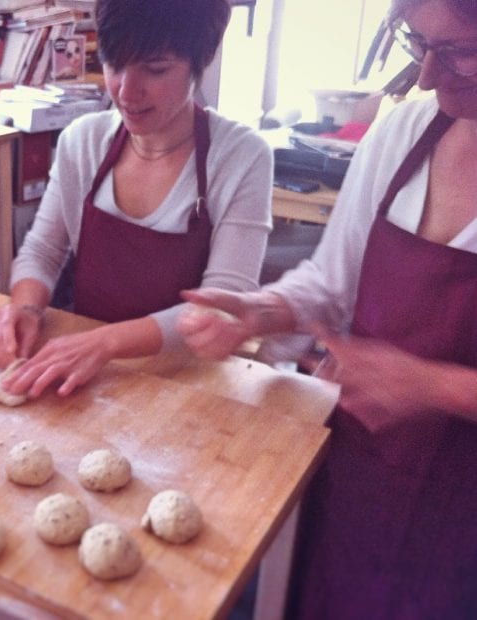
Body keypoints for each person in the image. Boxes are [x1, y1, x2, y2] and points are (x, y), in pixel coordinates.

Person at [177, 0, 477, 616]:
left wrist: (437, 387)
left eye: (460, 53)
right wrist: (261, 311)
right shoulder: (403, 134)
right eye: (417, 44)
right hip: (362, 469)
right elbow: (332, 283)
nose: (424, 76)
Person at [0, 0, 272, 398]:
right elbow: (42, 250)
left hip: (187, 378)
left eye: (155, 69)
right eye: (115, 64)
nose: (126, 90)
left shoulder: (241, 155)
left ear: (200, 61)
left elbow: (223, 303)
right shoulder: (82, 141)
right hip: (84, 374)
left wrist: (106, 343)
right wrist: (26, 307)